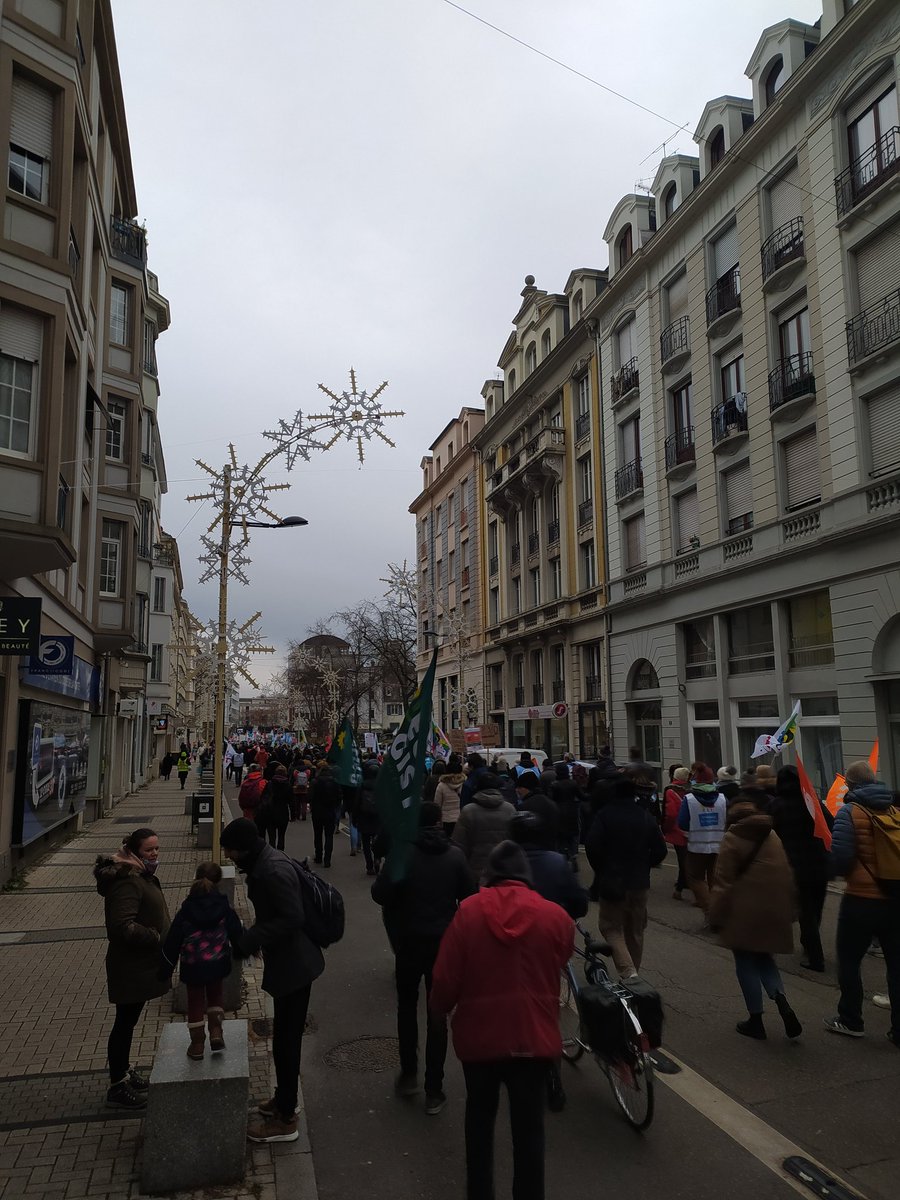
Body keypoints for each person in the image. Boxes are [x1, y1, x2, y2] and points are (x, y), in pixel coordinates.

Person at [431, 841, 573, 1200]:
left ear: (490, 875)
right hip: (534, 1037)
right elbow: (560, 958)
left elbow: (446, 978)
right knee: (529, 1131)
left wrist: (440, 1008)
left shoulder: (468, 912)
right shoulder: (554, 916)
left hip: (480, 1038)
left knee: (479, 1123)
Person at [220, 818, 325, 1142]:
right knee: (284, 1037)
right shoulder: (267, 862)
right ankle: (282, 1100)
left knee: (287, 1041)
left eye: (231, 850)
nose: (229, 856)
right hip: (290, 960)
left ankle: (285, 1118)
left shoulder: (272, 869)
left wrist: (248, 941)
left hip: (295, 964)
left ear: (245, 848)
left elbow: (292, 916)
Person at [371, 802, 474, 1114]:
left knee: (406, 1006)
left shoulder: (403, 854)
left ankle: (408, 1072)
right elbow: (469, 897)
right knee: (437, 1012)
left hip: (407, 940)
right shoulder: (455, 854)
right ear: (440, 821)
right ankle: (434, 1088)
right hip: (443, 943)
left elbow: (380, 894)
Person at [510, 801, 590, 1113]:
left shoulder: (504, 864)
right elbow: (579, 904)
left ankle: (518, 1054)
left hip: (514, 944)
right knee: (548, 1006)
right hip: (552, 943)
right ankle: (552, 1075)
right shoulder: (557, 861)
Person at [708, 790, 802, 1040]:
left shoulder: (732, 836)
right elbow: (787, 871)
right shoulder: (771, 834)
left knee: (745, 962)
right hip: (775, 906)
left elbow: (723, 881)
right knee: (765, 959)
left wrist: (715, 915)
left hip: (744, 911)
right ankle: (780, 999)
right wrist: (792, 907)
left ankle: (756, 1019)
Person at [93, 828, 171, 1109]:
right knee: (124, 1023)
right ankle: (117, 1085)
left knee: (128, 1021)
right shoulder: (127, 881)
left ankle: (124, 1072)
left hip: (140, 964)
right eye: (149, 850)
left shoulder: (138, 875)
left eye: (157, 849)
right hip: (131, 966)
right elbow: (121, 926)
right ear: (134, 852)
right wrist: (153, 936)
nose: (154, 855)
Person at [825, 761, 900, 1044]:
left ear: (851, 786)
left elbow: (842, 859)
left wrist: (828, 868)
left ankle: (850, 1019)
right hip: (894, 897)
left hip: (862, 900)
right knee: (896, 965)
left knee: (849, 961)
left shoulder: (850, 812)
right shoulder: (894, 810)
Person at [585, 773, 667, 979]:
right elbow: (660, 850)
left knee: (610, 927)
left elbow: (592, 846)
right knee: (635, 931)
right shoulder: (644, 816)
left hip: (613, 880)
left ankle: (628, 972)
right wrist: (646, 864)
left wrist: (602, 869)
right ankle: (634, 975)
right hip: (639, 882)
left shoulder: (605, 815)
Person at [159, 862, 243, 1058]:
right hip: (218, 963)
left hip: (192, 966)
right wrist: (246, 948)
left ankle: (197, 1045)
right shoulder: (223, 907)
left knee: (195, 1002)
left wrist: (165, 969)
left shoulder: (186, 911)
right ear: (218, 882)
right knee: (216, 996)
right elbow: (236, 932)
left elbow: (172, 941)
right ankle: (216, 1032)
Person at [771, 765, 833, 972]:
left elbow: (770, 833)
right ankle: (810, 945)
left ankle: (815, 956)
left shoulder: (777, 805)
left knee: (805, 911)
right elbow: (830, 825)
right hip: (819, 862)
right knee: (816, 907)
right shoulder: (812, 802)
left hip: (794, 864)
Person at [677, 763, 727, 916]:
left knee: (695, 878)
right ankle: (719, 909)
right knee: (714, 879)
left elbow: (682, 823)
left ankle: (710, 910)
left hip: (696, 846)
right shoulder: (722, 799)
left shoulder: (689, 799)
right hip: (718, 845)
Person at [452, 772, 517, 885]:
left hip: (475, 872)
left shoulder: (468, 811)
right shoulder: (510, 809)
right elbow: (516, 842)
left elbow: (459, 844)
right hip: (503, 871)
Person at [663, 766, 690, 899]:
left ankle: (681, 886)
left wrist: (666, 828)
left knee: (682, 859)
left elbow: (671, 813)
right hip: (692, 827)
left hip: (677, 828)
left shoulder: (670, 791)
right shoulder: (690, 790)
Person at [309, 761, 341, 867]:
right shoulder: (335, 782)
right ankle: (327, 859)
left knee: (317, 835)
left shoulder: (315, 781)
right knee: (329, 836)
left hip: (317, 812)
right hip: (330, 811)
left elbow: (310, 797)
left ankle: (318, 856)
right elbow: (339, 797)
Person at [261, 765, 293, 851]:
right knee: (281, 835)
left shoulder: (270, 784)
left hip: (270, 813)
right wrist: (293, 815)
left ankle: (272, 855)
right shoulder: (288, 785)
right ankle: (281, 853)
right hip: (283, 812)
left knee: (272, 837)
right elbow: (292, 801)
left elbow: (263, 797)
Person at [435, 753, 465, 837]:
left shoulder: (441, 785)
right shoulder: (464, 784)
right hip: (460, 818)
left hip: (445, 819)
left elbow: (437, 804)